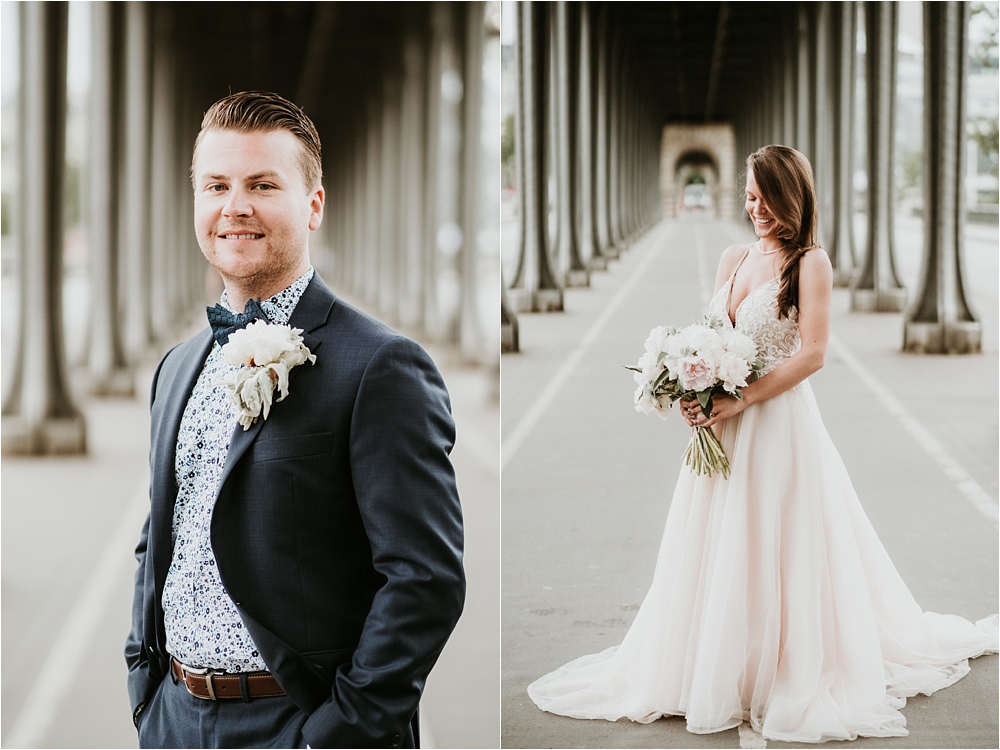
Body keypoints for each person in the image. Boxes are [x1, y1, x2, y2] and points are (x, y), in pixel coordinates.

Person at [527, 145, 998, 742]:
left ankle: (779, 667)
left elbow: (813, 353)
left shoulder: (811, 263)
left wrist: (742, 397)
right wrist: (690, 383)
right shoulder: (733, 255)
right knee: (718, 545)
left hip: (777, 425)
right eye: (750, 198)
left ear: (791, 199)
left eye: (767, 200)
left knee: (779, 542)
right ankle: (717, 662)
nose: (757, 210)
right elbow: (711, 334)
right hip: (721, 424)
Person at [125, 91, 465, 749]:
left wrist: (334, 734)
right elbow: (159, 538)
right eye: (216, 185)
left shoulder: (382, 367)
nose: (235, 206)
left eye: (262, 184)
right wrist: (145, 688)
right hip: (173, 719)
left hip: (299, 723)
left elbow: (425, 580)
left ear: (313, 205)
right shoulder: (176, 367)